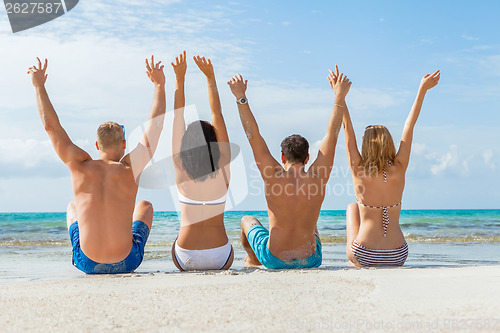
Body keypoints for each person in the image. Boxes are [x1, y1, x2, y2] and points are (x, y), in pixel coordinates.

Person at [28, 56, 166, 274]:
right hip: (126, 262)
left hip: (88, 263)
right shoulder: (131, 168)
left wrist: (39, 86)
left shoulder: (79, 164)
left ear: (96, 144)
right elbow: (155, 128)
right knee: (145, 206)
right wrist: (159, 85)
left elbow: (50, 127)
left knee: (73, 206)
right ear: (123, 144)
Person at [228, 69, 351, 269]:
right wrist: (339, 96)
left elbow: (254, 136)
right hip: (311, 260)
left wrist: (241, 97)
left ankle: (252, 260)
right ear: (308, 158)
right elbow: (333, 134)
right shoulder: (318, 177)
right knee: (311, 224)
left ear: (282, 157)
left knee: (247, 219)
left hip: (274, 259)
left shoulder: (273, 176)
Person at [342, 68, 440, 267]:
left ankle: (357, 261)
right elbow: (408, 126)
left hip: (365, 254)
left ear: (365, 145)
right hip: (398, 255)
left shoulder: (358, 170)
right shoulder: (399, 167)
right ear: (389, 143)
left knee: (352, 207)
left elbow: (347, 129)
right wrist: (422, 90)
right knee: (358, 207)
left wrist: (340, 97)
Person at [170, 51, 234, 271]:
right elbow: (217, 112)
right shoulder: (224, 162)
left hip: (185, 256)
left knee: (175, 242)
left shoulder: (179, 164)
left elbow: (178, 115)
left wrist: (179, 78)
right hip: (221, 255)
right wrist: (210, 77)